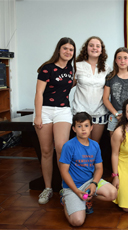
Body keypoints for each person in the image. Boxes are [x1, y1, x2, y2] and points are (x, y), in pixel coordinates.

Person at [34, 37, 76, 204]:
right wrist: (38, 115)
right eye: (65, 48)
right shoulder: (47, 68)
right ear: (59, 50)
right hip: (44, 110)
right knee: (46, 151)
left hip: (63, 110)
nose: (68, 52)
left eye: (71, 50)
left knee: (61, 147)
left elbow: (68, 85)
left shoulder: (72, 69)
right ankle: (48, 188)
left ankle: (65, 187)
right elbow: (39, 93)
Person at [59, 112, 117, 226]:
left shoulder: (95, 145)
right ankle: (65, 200)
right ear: (74, 129)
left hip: (89, 182)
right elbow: (63, 171)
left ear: (91, 127)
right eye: (79, 126)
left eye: (86, 125)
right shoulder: (69, 146)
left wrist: (94, 183)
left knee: (113, 193)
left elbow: (99, 168)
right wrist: (76, 191)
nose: (83, 129)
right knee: (77, 222)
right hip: (72, 187)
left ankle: (87, 200)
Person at [72, 36, 112, 143]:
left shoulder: (107, 68)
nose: (94, 48)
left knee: (95, 144)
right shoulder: (77, 66)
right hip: (81, 111)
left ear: (101, 50)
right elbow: (66, 86)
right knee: (82, 145)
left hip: (99, 112)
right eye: (91, 45)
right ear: (86, 48)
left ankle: (94, 161)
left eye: (97, 46)